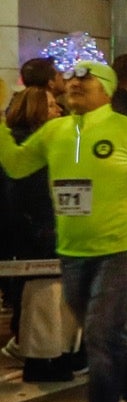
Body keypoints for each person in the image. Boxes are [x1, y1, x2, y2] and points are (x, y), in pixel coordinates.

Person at [0, 62, 127, 402]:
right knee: (110, 336)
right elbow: (16, 165)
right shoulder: (55, 130)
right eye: (73, 81)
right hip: (73, 251)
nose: (76, 86)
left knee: (100, 334)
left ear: (106, 90)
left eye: (87, 80)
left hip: (123, 247)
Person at [1, 85, 78, 381]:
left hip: (50, 225)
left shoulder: (48, 141)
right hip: (36, 228)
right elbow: (23, 192)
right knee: (41, 295)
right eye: (50, 105)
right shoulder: (25, 145)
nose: (57, 109)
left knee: (56, 293)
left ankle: (56, 353)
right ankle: (40, 357)